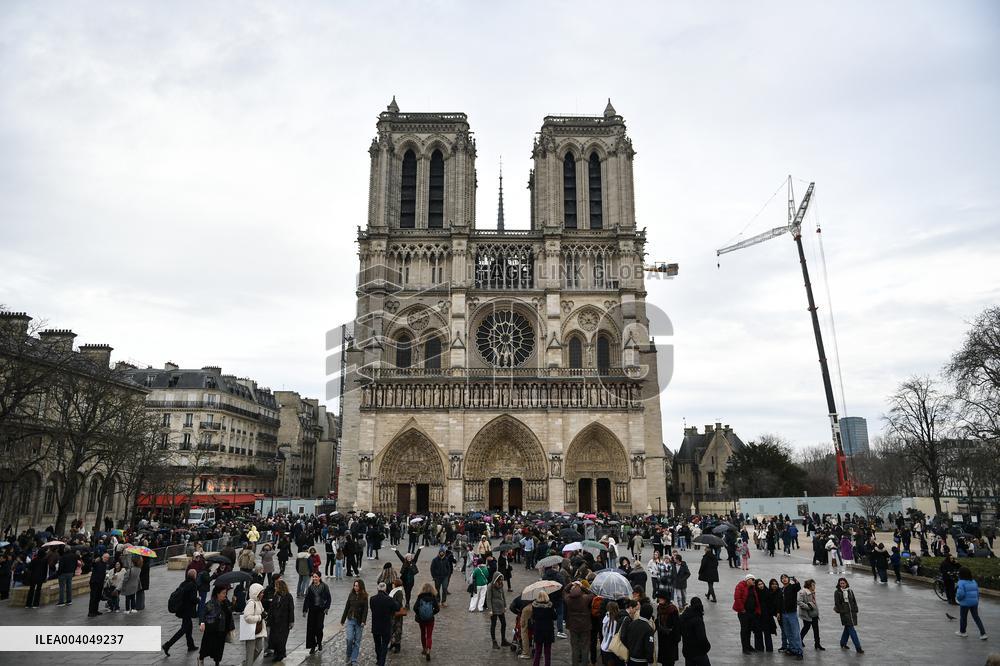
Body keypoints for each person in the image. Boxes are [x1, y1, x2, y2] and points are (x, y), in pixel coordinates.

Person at [163, 568, 199, 656]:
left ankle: (190, 645)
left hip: (182, 610)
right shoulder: (193, 585)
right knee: (183, 629)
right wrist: (199, 600)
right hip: (187, 610)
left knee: (189, 627)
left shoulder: (183, 583)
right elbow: (192, 598)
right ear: (194, 576)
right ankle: (167, 645)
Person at [199, 585, 234, 666]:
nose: (225, 595)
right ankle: (201, 659)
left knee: (219, 649)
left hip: (222, 630)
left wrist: (233, 603)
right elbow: (203, 613)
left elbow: (230, 612)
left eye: (226, 593)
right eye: (223, 593)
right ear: (217, 594)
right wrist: (202, 623)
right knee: (206, 647)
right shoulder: (211, 603)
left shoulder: (226, 602)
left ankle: (217, 663)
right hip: (211, 630)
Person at [370, 581, 402, 666]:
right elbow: (397, 607)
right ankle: (381, 663)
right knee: (384, 646)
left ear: (377, 588)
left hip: (375, 626)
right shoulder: (389, 599)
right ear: (385, 589)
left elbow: (372, 609)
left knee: (377, 644)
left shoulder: (372, 599)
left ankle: (378, 659)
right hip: (385, 626)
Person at [955, 566, 988, 640]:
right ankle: (983, 633)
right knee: (976, 617)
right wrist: (977, 601)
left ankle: (963, 632)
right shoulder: (973, 581)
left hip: (965, 603)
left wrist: (958, 599)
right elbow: (977, 592)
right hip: (974, 603)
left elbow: (960, 594)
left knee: (963, 618)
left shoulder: (961, 582)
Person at [340, 578, 368, 664]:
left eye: (357, 586)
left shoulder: (364, 596)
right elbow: (347, 607)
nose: (355, 587)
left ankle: (354, 659)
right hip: (350, 620)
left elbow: (365, 610)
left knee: (357, 641)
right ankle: (348, 655)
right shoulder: (351, 595)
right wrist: (343, 619)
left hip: (359, 621)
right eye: (354, 586)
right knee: (349, 638)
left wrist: (363, 621)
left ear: (361, 587)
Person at [565, 580, 593, 665]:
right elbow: (592, 594)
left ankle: (575, 663)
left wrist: (571, 584)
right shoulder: (585, 598)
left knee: (575, 647)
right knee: (585, 646)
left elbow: (564, 591)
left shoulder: (568, 599)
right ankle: (584, 663)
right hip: (585, 625)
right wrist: (582, 586)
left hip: (573, 626)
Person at [266, 578, 294, 662]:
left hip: (284, 622)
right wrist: (269, 620)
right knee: (274, 638)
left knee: (281, 639)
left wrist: (291, 621)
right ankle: (277, 653)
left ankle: (281, 654)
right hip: (275, 621)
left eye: (276, 586)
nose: (275, 588)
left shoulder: (288, 596)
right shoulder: (276, 596)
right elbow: (271, 608)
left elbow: (291, 609)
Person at [833, 577, 863, 654]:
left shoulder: (850, 591)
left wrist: (855, 609)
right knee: (852, 630)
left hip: (852, 613)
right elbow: (837, 604)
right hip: (845, 614)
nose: (842, 585)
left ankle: (842, 643)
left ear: (846, 583)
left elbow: (854, 601)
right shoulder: (837, 592)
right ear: (839, 584)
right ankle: (858, 647)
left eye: (843, 583)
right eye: (841, 583)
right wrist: (842, 611)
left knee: (847, 628)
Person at [678, 596, 711, 666]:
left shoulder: (684, 617)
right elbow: (702, 637)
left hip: (687, 652)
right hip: (698, 653)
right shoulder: (698, 619)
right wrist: (707, 647)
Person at [622, 600, 655, 665]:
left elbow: (625, 638)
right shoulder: (648, 629)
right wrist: (650, 660)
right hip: (642, 661)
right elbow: (649, 647)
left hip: (631, 659)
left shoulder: (632, 624)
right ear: (650, 615)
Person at [414, 582, 441, 661]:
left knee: (423, 634)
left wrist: (419, 614)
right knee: (429, 635)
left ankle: (424, 649)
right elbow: (437, 609)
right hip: (430, 619)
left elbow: (415, 608)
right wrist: (432, 613)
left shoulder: (420, 597)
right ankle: (429, 649)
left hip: (421, 619)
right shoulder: (433, 597)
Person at [241, 582, 267, 666]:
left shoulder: (259, 602)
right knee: (250, 652)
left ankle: (246, 664)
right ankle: (248, 664)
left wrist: (264, 615)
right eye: (261, 592)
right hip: (251, 631)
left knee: (259, 649)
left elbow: (261, 612)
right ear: (256, 593)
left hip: (258, 630)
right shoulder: (251, 603)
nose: (262, 594)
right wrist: (260, 617)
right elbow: (247, 617)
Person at [779, 574, 803, 660]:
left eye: (785, 578)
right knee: (788, 633)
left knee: (795, 633)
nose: (784, 579)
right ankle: (793, 649)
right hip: (784, 613)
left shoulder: (792, 587)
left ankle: (799, 652)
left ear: (788, 579)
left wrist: (795, 579)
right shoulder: (781, 589)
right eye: (782, 578)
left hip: (792, 613)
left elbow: (798, 586)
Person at [487, 572, 512, 649]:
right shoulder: (490, 586)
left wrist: (505, 605)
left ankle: (503, 640)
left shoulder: (501, 585)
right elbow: (488, 598)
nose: (501, 580)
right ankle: (494, 642)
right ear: (496, 579)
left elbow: (503, 595)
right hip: (494, 608)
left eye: (501, 579)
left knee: (503, 623)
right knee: (493, 625)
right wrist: (490, 609)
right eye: (500, 579)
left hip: (501, 607)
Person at [797, 578, 823, 651]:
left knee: (816, 629)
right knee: (806, 627)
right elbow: (799, 602)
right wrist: (808, 607)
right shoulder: (802, 592)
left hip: (814, 614)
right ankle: (799, 640)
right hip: (807, 614)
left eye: (814, 585)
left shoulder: (812, 592)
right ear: (808, 585)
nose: (814, 586)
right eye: (813, 585)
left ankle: (817, 644)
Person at [655, 593, 680, 666]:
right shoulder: (659, 608)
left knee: (669, 661)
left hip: (670, 639)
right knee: (664, 661)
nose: (659, 599)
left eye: (661, 598)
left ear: (666, 600)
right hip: (662, 638)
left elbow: (676, 626)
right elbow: (658, 620)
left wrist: (676, 638)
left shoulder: (673, 610)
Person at [532, 591, 556, 666]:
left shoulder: (534, 606)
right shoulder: (550, 606)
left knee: (538, 651)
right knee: (547, 652)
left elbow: (533, 617)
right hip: (548, 630)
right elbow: (555, 617)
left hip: (538, 630)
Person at [732, 574, 755, 654]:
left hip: (751, 612)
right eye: (752, 580)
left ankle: (748, 645)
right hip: (743, 613)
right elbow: (737, 598)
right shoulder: (740, 586)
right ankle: (744, 648)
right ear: (748, 580)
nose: (753, 581)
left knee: (749, 629)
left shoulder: (753, 587)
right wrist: (742, 609)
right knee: (744, 630)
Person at [600, 601, 622, 666]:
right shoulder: (615, 621)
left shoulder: (606, 617)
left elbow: (603, 632)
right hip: (612, 648)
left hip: (604, 645)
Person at [88, 552, 109, 617]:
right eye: (105, 557)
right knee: (93, 597)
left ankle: (95, 610)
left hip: (100, 583)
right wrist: (94, 561)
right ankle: (91, 612)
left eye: (107, 558)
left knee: (97, 597)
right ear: (102, 557)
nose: (106, 559)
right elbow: (92, 564)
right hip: (94, 582)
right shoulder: (97, 562)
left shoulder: (105, 564)